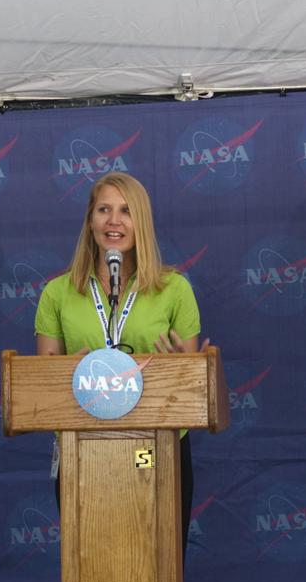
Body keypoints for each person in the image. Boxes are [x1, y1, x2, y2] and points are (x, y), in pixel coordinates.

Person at [34, 171, 204, 556]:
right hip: (84, 451)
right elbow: (41, 384)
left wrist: (179, 370)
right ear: (90, 220)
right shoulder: (57, 294)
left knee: (158, 563)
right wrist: (62, 374)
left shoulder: (173, 289)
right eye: (104, 210)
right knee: (90, 564)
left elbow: (189, 382)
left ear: (140, 221)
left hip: (156, 449)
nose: (114, 221)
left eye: (126, 211)